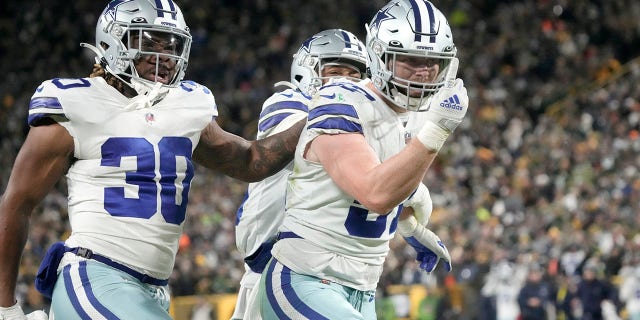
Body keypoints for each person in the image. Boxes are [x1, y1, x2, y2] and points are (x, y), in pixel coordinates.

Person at [0, 0, 304, 319]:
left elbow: (250, 161)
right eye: (149, 42)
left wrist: (316, 118)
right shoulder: (75, 102)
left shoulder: (187, 105)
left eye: (171, 43)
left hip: (153, 291)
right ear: (112, 41)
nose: (165, 54)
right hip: (94, 275)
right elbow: (16, 203)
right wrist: (6, 305)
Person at [257, 0, 469, 318]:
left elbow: (391, 181)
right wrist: (436, 132)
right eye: (410, 60)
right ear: (379, 56)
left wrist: (410, 226)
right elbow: (374, 193)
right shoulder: (340, 99)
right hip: (304, 279)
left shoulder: (415, 118)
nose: (424, 72)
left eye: (432, 61)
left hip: (362, 291)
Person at [230, 28, 370, 320]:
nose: (344, 82)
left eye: (353, 75)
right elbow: (314, 132)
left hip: (332, 274)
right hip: (274, 268)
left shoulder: (367, 121)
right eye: (335, 72)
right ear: (305, 73)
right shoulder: (289, 102)